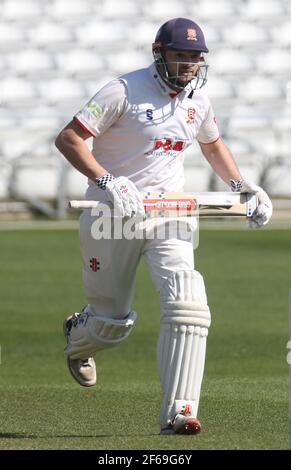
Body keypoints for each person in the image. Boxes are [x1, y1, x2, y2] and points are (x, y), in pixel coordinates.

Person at [55, 17, 273, 435]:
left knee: (188, 299)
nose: (188, 64)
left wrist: (242, 186)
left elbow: (212, 145)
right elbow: (69, 139)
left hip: (171, 212)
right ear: (160, 54)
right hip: (111, 214)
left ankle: (179, 412)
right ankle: (80, 336)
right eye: (180, 55)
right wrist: (108, 180)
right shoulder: (123, 90)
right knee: (110, 323)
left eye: (195, 57)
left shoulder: (199, 102)